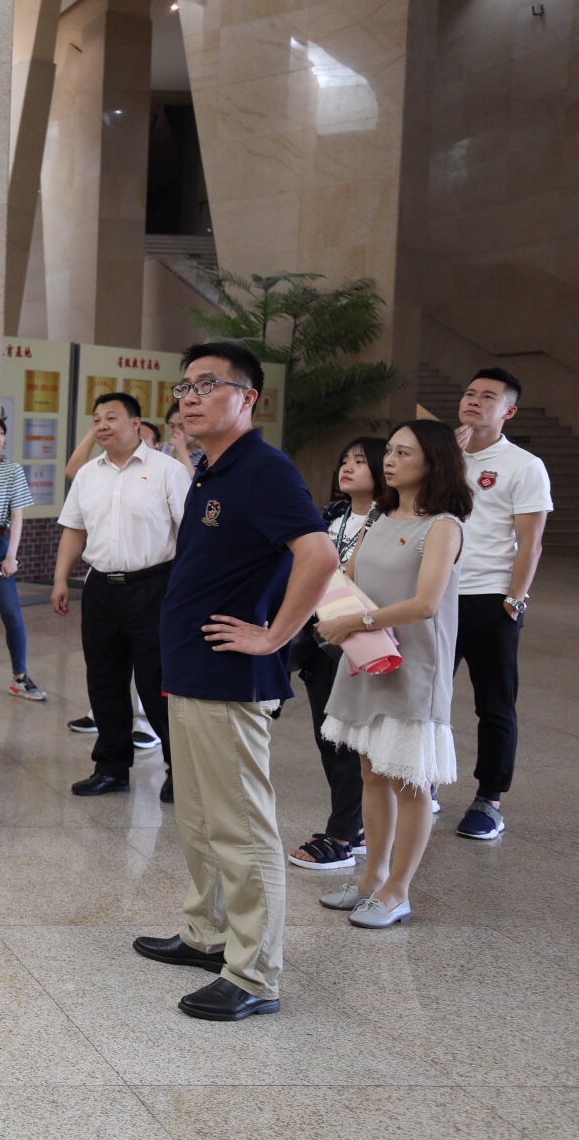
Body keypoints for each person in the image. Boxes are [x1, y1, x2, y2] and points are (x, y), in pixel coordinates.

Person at [132, 341, 336, 1022]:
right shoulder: (210, 469)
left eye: (207, 384)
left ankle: (253, 973)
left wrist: (274, 636)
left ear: (247, 397)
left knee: (241, 826)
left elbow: (319, 555)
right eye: (184, 386)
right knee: (198, 818)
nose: (189, 397)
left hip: (229, 676)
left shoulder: (263, 469)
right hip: (191, 670)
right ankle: (208, 933)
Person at [314, 422, 472, 927]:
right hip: (369, 659)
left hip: (414, 664)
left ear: (433, 463)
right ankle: (371, 880)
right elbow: (350, 577)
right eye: (391, 451)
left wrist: (355, 622)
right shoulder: (379, 516)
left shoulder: (443, 525)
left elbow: (426, 604)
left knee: (409, 782)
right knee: (371, 773)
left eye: (404, 453)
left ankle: (397, 892)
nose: (390, 460)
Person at [51, 392, 189, 801]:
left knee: (156, 682)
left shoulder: (167, 471)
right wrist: (60, 579)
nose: (102, 425)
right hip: (100, 588)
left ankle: (180, 771)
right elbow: (74, 529)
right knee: (104, 681)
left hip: (155, 587)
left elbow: (190, 535)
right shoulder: (88, 474)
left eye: (111, 417)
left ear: (136, 423)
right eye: (97, 419)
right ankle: (111, 768)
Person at [450, 367, 552, 840]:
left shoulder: (523, 465)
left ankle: (489, 799)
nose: (474, 400)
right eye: (470, 393)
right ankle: (421, 783)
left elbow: (530, 541)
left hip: (491, 598)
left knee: (493, 704)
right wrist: (443, 458)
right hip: (435, 596)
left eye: (488, 396)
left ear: (508, 411)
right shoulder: (441, 456)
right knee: (424, 699)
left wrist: (514, 598)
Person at [285, 437, 387, 872]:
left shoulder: (392, 521)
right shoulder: (330, 515)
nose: (347, 467)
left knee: (350, 742)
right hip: (320, 637)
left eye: (360, 461)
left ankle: (343, 834)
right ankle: (355, 824)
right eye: (344, 460)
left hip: (362, 637)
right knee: (328, 737)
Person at [0, 414, 45, 701]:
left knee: (11, 612)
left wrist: (11, 556)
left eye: (1, 432)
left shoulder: (12, 470)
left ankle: (20, 678)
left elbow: (17, 516)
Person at [165, 402, 205, 470]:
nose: (176, 431)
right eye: (172, 426)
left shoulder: (204, 454)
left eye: (182, 426)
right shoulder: (163, 447)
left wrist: (182, 451)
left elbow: (194, 477)